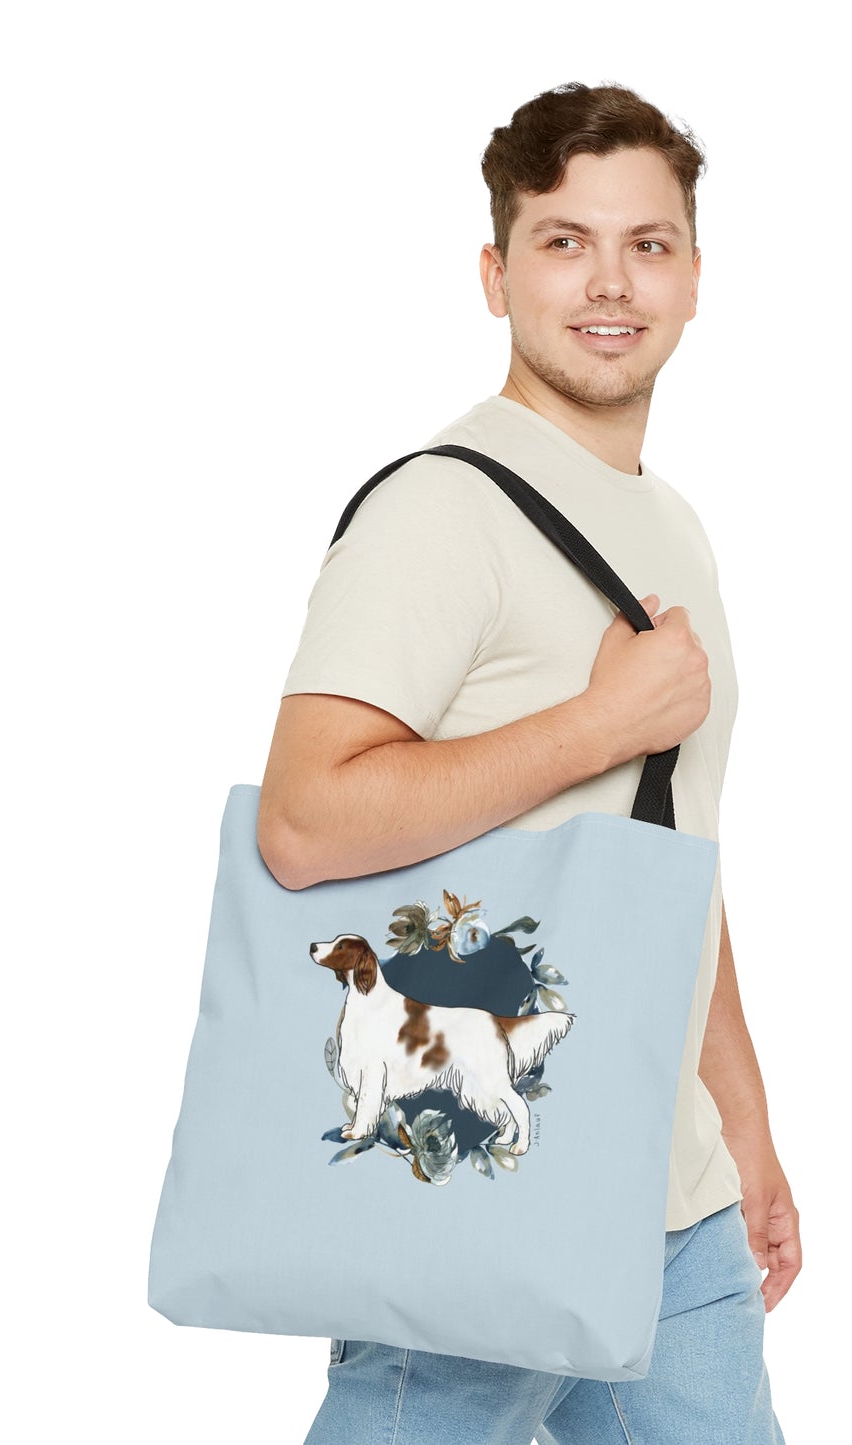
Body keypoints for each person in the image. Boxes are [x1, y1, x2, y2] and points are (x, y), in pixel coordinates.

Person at [258, 80, 797, 1445]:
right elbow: (305, 822)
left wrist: (742, 1127)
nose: (609, 282)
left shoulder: (671, 524)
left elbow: (669, 850)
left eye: (647, 244)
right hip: (479, 1184)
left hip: (671, 1203)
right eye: (565, 242)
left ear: (693, 277)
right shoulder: (439, 509)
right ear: (496, 276)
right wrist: (595, 724)